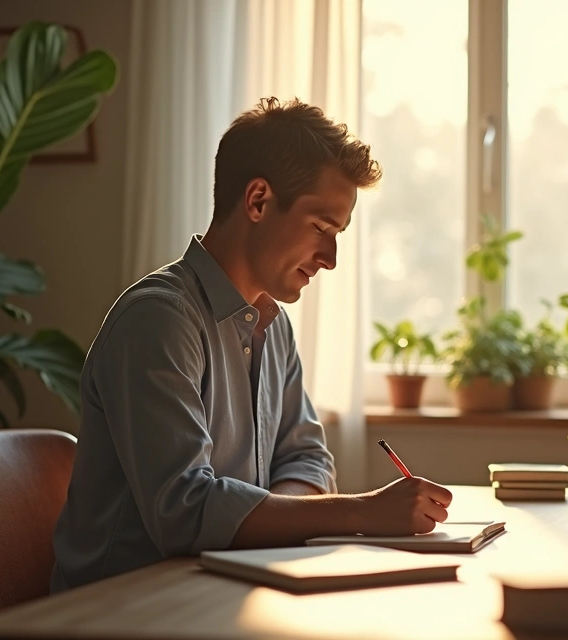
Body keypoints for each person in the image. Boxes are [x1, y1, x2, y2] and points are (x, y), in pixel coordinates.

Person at [51, 97, 452, 592]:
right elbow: (185, 511)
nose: (329, 258)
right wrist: (364, 510)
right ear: (258, 201)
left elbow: (307, 459)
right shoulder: (157, 320)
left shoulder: (273, 325)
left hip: (224, 592)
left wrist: (271, 532)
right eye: (322, 228)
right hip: (124, 611)